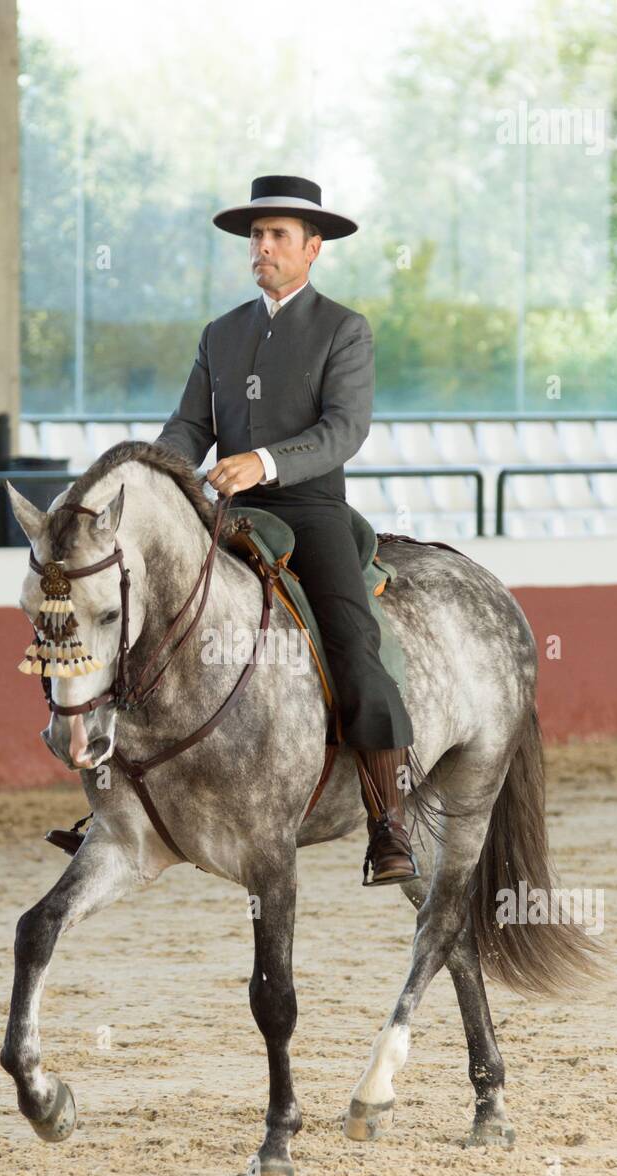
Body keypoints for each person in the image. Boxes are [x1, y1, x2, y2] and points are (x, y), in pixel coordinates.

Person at [155, 174, 419, 885]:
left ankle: (387, 818)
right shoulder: (221, 333)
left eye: (276, 236)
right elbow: (191, 425)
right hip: (229, 512)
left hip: (310, 511)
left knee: (352, 642)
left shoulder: (344, 329)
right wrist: (158, 473)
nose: (261, 248)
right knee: (146, 616)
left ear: (313, 248)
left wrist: (264, 461)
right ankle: (125, 794)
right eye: (255, 236)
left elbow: (344, 430)